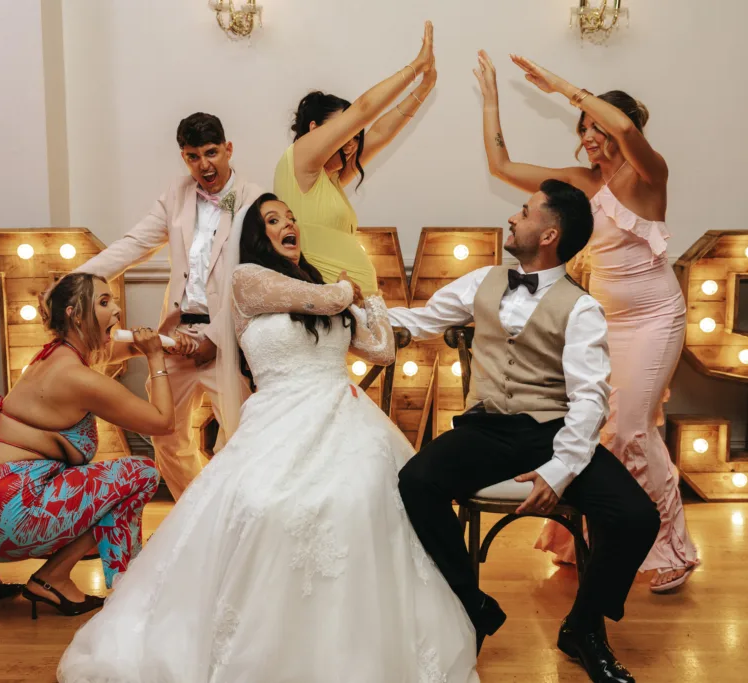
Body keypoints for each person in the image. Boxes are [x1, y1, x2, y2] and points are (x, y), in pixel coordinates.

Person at [55, 194, 478, 683]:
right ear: (258, 237)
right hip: (278, 418)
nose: (288, 225)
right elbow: (327, 301)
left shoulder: (320, 285)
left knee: (363, 499)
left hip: (344, 417)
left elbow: (381, 348)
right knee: (264, 506)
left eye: (291, 218)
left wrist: (373, 298)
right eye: (274, 220)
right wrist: (346, 291)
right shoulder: (248, 280)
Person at [389, 180, 660, 683]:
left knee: (636, 517)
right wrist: (347, 309)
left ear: (549, 233)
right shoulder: (482, 280)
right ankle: (472, 606)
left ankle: (583, 627)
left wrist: (558, 471)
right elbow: (420, 320)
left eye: (525, 211)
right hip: (486, 430)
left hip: (553, 432)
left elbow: (588, 401)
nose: (513, 218)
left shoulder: (581, 308)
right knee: (416, 482)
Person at [473, 51, 698, 593]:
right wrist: (491, 103)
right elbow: (501, 167)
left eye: (597, 128)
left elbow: (621, 122)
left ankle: (672, 550)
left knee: (631, 429)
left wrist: (560, 84)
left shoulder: (650, 175)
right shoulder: (579, 182)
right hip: (605, 321)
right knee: (602, 429)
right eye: (584, 130)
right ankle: (581, 540)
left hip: (654, 317)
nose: (591, 137)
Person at [0, 273, 172, 619]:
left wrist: (162, 343)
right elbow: (162, 422)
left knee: (60, 479)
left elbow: (112, 353)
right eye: (105, 302)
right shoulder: (78, 379)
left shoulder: (50, 357)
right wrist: (156, 359)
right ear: (75, 314)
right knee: (141, 473)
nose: (118, 310)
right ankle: (52, 578)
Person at [74, 112, 262, 500]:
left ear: (228, 149)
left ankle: (234, 516)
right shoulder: (176, 196)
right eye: (193, 156)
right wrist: (73, 281)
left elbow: (253, 279)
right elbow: (133, 244)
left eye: (211, 153)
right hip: (176, 335)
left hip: (230, 337)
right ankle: (197, 514)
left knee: (241, 437)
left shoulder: (254, 201)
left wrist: (216, 336)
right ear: (184, 158)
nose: (204, 165)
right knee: (166, 435)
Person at [273, 21, 437, 293]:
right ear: (314, 130)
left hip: (356, 306)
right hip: (323, 306)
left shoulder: (332, 178)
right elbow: (364, 109)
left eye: (354, 135)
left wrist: (424, 88)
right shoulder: (300, 161)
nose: (352, 143)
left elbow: (381, 133)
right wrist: (416, 66)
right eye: (343, 132)